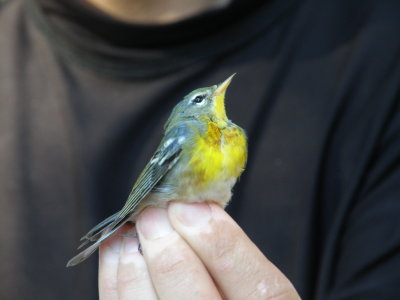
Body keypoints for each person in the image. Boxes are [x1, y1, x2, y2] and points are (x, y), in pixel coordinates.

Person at [1, 0, 400, 299]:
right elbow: (154, 176)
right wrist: (126, 215)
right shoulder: (186, 136)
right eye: (202, 99)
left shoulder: (381, 54)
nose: (214, 95)